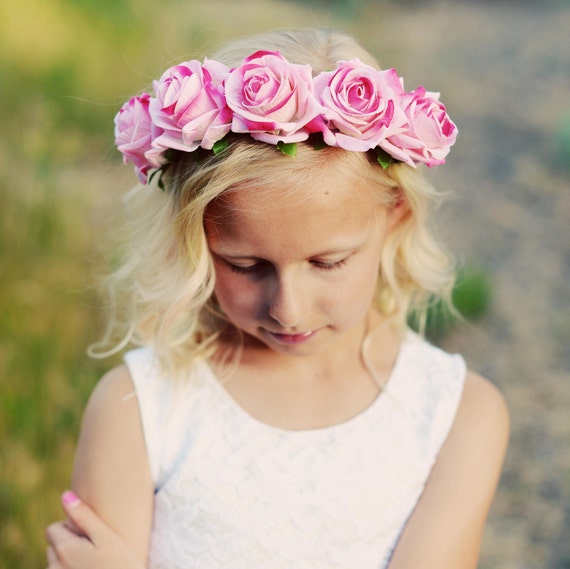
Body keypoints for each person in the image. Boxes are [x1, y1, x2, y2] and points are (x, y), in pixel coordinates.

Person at [45, 28, 509, 569]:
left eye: (327, 263)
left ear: (394, 217)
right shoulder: (138, 409)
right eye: (245, 265)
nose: (288, 308)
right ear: (193, 241)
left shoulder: (457, 416)